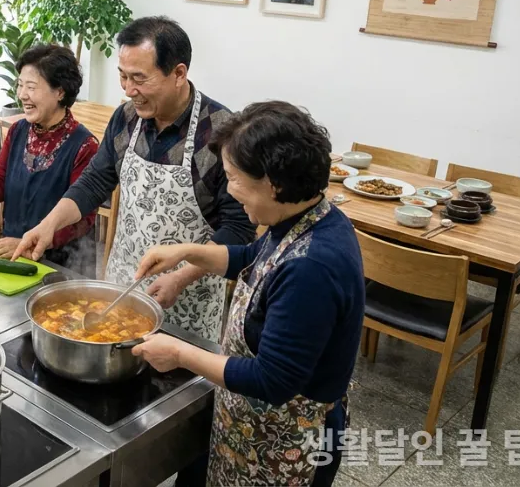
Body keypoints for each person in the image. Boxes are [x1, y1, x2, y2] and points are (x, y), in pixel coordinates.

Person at [130, 101, 363, 487]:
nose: (231, 191)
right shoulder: (306, 216)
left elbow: (273, 379)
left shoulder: (312, 267)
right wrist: (186, 252)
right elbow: (251, 257)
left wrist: (177, 353)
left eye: (234, 178)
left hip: (288, 441)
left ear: (274, 183)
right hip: (254, 428)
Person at [15, 16, 254, 342]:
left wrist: (181, 277)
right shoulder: (126, 118)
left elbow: (239, 229)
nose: (129, 90)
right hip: (120, 291)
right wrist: (48, 225)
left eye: (139, 79)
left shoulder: (222, 132)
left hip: (189, 300)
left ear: (179, 74)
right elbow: (94, 183)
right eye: (123, 77)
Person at [0, 44, 100, 275]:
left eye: (31, 87)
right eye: (20, 85)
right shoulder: (19, 130)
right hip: (13, 255)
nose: (22, 95)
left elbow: (83, 220)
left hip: (61, 265)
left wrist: (31, 242)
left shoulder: (84, 145)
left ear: (60, 92)